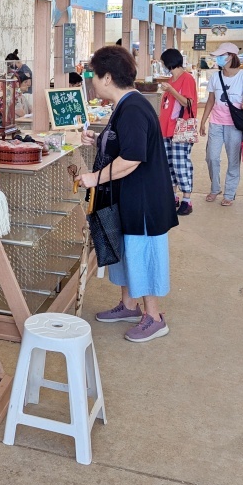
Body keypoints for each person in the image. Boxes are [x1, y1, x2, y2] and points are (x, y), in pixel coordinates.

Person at [76, 46, 178, 343]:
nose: (92, 80)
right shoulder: (126, 105)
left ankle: (154, 317)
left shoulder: (132, 108)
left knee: (141, 254)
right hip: (128, 197)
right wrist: (98, 139)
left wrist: (93, 178)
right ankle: (129, 305)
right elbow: (123, 144)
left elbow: (132, 158)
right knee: (126, 252)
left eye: (94, 75)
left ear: (107, 77)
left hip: (144, 201)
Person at [199, 43, 243, 206]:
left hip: (235, 126)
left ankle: (229, 193)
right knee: (211, 157)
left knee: (233, 160)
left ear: (231, 56)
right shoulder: (215, 77)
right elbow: (210, 100)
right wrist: (203, 121)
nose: (218, 59)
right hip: (216, 123)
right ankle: (215, 188)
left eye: (221, 56)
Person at [159, 48, 198, 216]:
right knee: (169, 164)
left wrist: (171, 91)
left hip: (180, 129)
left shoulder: (186, 78)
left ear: (169, 62)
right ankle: (172, 196)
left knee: (180, 163)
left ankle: (187, 200)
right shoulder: (171, 79)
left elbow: (188, 102)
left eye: (163, 62)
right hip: (167, 129)